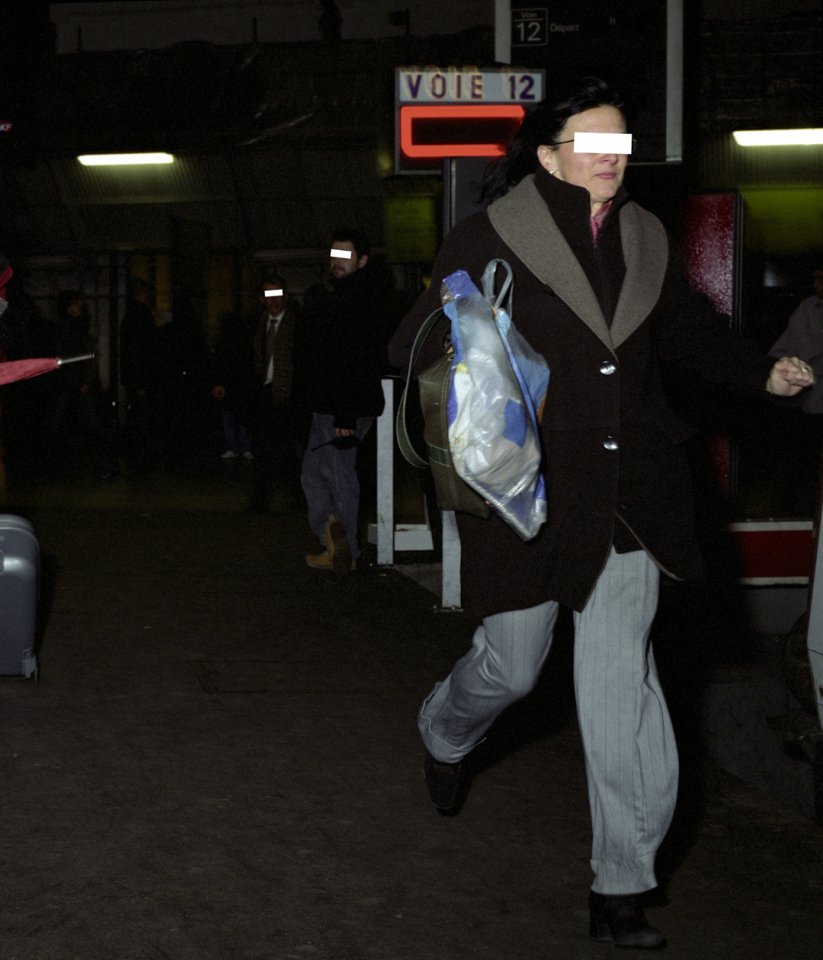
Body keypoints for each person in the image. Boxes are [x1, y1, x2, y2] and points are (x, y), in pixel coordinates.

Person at [388, 78, 814, 950]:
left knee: (621, 691)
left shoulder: (644, 236)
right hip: (528, 494)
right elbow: (413, 344)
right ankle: (445, 728)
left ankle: (621, 882)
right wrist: (461, 334)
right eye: (593, 142)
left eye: (621, 144)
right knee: (513, 667)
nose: (612, 158)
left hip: (631, 492)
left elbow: (684, 330)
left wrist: (760, 372)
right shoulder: (489, 236)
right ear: (548, 155)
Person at [300, 228, 386, 573]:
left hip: (340, 408)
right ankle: (335, 537)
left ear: (361, 260)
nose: (336, 262)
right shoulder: (352, 294)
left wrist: (345, 416)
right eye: (333, 255)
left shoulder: (353, 299)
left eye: (344, 256)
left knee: (336, 475)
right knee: (314, 473)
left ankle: (343, 547)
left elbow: (355, 359)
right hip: (335, 404)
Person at [48, 291, 116, 480]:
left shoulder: (72, 327)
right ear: (68, 306)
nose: (80, 306)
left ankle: (103, 467)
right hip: (73, 385)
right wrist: (79, 383)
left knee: (66, 425)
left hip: (73, 384)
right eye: (76, 303)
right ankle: (103, 467)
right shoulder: (67, 329)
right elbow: (64, 359)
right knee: (88, 427)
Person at [248, 274, 298, 511]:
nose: (274, 300)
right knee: (263, 449)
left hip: (287, 395)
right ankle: (261, 498)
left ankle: (297, 496)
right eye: (269, 295)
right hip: (264, 393)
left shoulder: (295, 324)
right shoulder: (257, 324)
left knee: (287, 449)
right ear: (262, 299)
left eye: (277, 294)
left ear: (285, 296)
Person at [769, 266, 823, 413]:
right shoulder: (808, 308)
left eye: (821, 279)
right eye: (815, 279)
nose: (815, 285)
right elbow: (781, 352)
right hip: (809, 404)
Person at [119, 278, 158, 474]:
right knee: (142, 418)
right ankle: (140, 457)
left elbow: (132, 351)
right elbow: (140, 350)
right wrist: (140, 381)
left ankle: (136, 455)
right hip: (142, 377)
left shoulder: (130, 316)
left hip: (136, 377)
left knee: (137, 416)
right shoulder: (141, 316)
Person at [211, 311, 255, 460]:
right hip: (241, 384)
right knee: (241, 418)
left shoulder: (222, 341)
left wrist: (218, 382)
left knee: (229, 417)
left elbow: (218, 363)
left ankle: (233, 447)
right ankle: (244, 447)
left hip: (228, 384)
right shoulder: (245, 340)